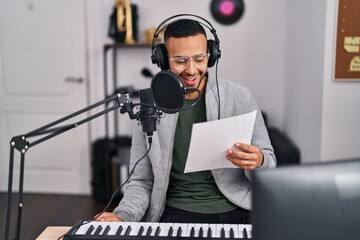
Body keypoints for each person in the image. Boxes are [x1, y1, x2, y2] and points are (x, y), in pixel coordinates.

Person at [95, 16, 276, 224]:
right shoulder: (151, 104)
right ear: (163, 60)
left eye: (199, 59)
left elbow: (269, 165)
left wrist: (259, 161)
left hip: (238, 207)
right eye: (180, 61)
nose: (191, 70)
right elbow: (141, 179)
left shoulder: (240, 96)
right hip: (179, 212)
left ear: (212, 55)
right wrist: (123, 215)